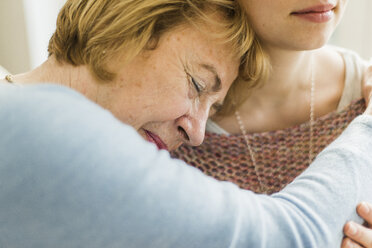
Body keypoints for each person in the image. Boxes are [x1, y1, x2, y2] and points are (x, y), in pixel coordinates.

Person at [1, 0, 372, 247]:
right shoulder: (47, 135)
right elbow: (289, 236)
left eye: (213, 109)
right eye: (196, 84)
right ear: (126, 31)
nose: (196, 134)